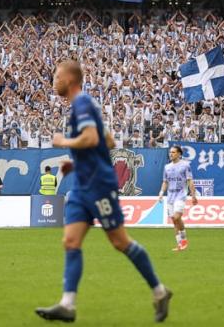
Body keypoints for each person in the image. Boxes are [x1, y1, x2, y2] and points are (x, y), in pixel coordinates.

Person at [35, 60, 171, 323]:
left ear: (70, 80)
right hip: (81, 184)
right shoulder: (81, 107)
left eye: (56, 75)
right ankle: (67, 304)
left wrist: (63, 141)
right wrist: (77, 163)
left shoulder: (83, 103)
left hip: (99, 185)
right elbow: (107, 141)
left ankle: (159, 291)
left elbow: (92, 139)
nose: (53, 79)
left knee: (120, 242)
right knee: (70, 241)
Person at [157, 145, 198, 252]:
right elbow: (165, 182)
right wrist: (161, 193)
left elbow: (190, 181)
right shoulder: (167, 167)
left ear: (179, 154)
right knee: (174, 221)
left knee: (176, 217)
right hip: (170, 196)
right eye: (170, 152)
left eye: (173, 152)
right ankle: (180, 244)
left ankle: (184, 238)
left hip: (181, 195)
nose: (171, 154)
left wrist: (193, 196)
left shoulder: (185, 165)